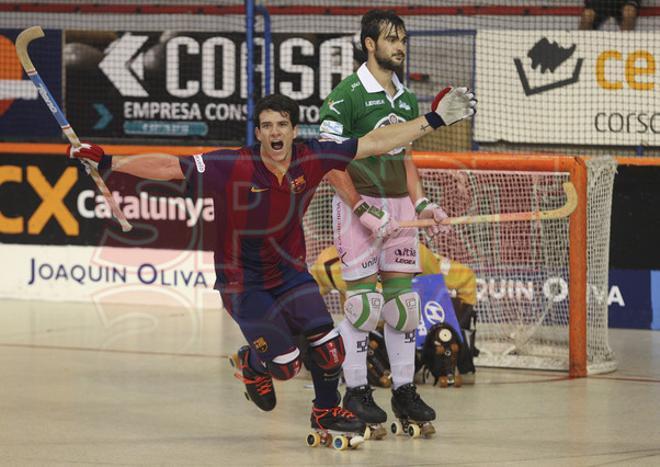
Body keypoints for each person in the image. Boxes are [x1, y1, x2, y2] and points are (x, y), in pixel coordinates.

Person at [69, 91, 476, 442]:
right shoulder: (233, 165)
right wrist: (108, 160)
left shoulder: (312, 157)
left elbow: (375, 141)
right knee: (286, 367)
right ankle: (253, 362)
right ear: (258, 133)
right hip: (241, 280)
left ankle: (324, 410)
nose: (276, 132)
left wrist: (434, 119)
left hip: (289, 273)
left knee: (328, 347)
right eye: (267, 126)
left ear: (294, 130)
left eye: (283, 124)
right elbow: (170, 167)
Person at [318, 9, 472, 438]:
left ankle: (403, 391)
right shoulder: (345, 95)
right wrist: (361, 209)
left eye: (403, 38)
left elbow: (405, 155)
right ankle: (356, 392)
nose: (400, 45)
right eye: (391, 38)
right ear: (370, 43)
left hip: (399, 208)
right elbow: (328, 162)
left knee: (404, 307)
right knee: (363, 306)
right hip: (357, 206)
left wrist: (421, 203)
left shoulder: (404, 98)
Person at [310, 243, 479, 387]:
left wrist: (456, 331)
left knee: (443, 337)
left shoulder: (415, 252)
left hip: (410, 338)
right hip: (370, 338)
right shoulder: (329, 261)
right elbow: (309, 295)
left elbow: (466, 278)